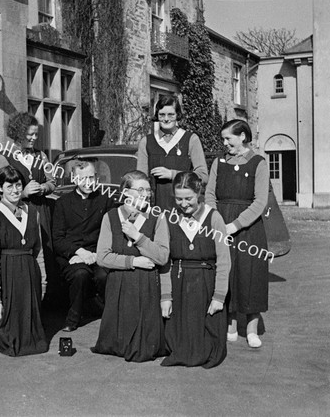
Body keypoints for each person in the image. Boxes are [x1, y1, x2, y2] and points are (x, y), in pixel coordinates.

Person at [92, 170, 170, 362]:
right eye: (140, 190)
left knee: (143, 347)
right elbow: (102, 257)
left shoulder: (157, 217)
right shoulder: (110, 217)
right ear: (126, 192)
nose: (146, 194)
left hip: (146, 287)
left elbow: (162, 256)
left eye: (148, 190)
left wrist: (138, 237)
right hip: (118, 286)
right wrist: (133, 262)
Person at [205, 119, 270, 349]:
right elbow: (209, 194)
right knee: (227, 272)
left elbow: (260, 201)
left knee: (250, 275)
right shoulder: (219, 162)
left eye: (228, 138)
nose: (224, 143)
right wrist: (216, 221)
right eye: (223, 139)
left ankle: (251, 327)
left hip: (249, 229)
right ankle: (231, 324)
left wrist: (235, 225)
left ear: (243, 136)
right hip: (220, 224)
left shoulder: (258, 163)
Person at [161, 172, 231, 368]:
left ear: (199, 193)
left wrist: (219, 297)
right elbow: (165, 261)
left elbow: (224, 260)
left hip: (206, 283)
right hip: (180, 282)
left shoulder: (214, 218)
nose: (183, 204)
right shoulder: (169, 217)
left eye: (188, 198)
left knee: (207, 345)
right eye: (179, 199)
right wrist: (166, 296)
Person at [0, 112, 56, 300]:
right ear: (18, 133)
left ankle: (43, 299)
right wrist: (23, 193)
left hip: (40, 212)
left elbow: (53, 181)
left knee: (43, 254)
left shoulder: (41, 156)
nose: (34, 138)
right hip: (17, 214)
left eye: (36, 134)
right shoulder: (3, 157)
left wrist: (44, 187)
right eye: (30, 135)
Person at [0, 166, 48, 356]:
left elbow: (38, 251)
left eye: (18, 185)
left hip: (29, 272)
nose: (14, 191)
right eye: (9, 186)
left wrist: (43, 281)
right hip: (8, 272)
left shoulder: (33, 213)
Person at [52, 158, 116, 332]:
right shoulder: (62, 203)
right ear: (74, 178)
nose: (88, 183)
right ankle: (73, 318)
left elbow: (110, 233)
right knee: (80, 274)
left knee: (103, 275)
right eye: (82, 178)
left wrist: (97, 254)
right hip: (72, 255)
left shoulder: (105, 200)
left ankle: (104, 311)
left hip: (97, 252)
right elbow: (58, 239)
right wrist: (78, 252)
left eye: (91, 178)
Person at [136, 95, 208, 212]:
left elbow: (203, 176)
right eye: (162, 115)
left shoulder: (191, 139)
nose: (166, 119)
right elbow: (140, 180)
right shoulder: (147, 141)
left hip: (184, 207)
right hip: (155, 207)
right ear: (157, 116)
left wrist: (172, 174)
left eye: (171, 115)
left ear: (177, 115)